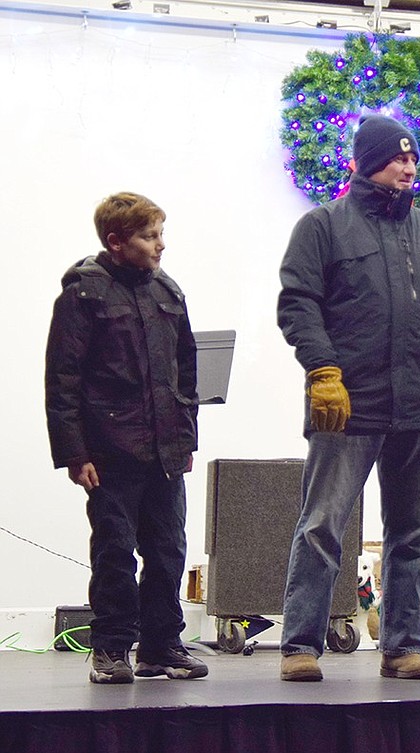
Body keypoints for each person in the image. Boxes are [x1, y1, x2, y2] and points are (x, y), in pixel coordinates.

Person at [277, 113, 420, 682]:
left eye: (414, 159)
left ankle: (404, 646)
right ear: (367, 163)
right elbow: (298, 303)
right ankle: (300, 646)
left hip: (419, 405)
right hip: (347, 404)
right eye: (398, 158)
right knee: (322, 527)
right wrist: (322, 370)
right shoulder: (321, 227)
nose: (410, 168)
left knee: (413, 532)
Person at [45, 192, 208, 684]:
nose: (162, 245)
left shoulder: (168, 292)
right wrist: (74, 453)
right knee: (114, 550)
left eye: (160, 233)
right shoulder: (83, 294)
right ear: (116, 242)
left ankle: (161, 647)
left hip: (165, 450)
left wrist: (186, 442)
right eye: (149, 236)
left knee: (168, 551)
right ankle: (111, 648)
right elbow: (62, 379)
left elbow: (187, 375)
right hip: (110, 450)